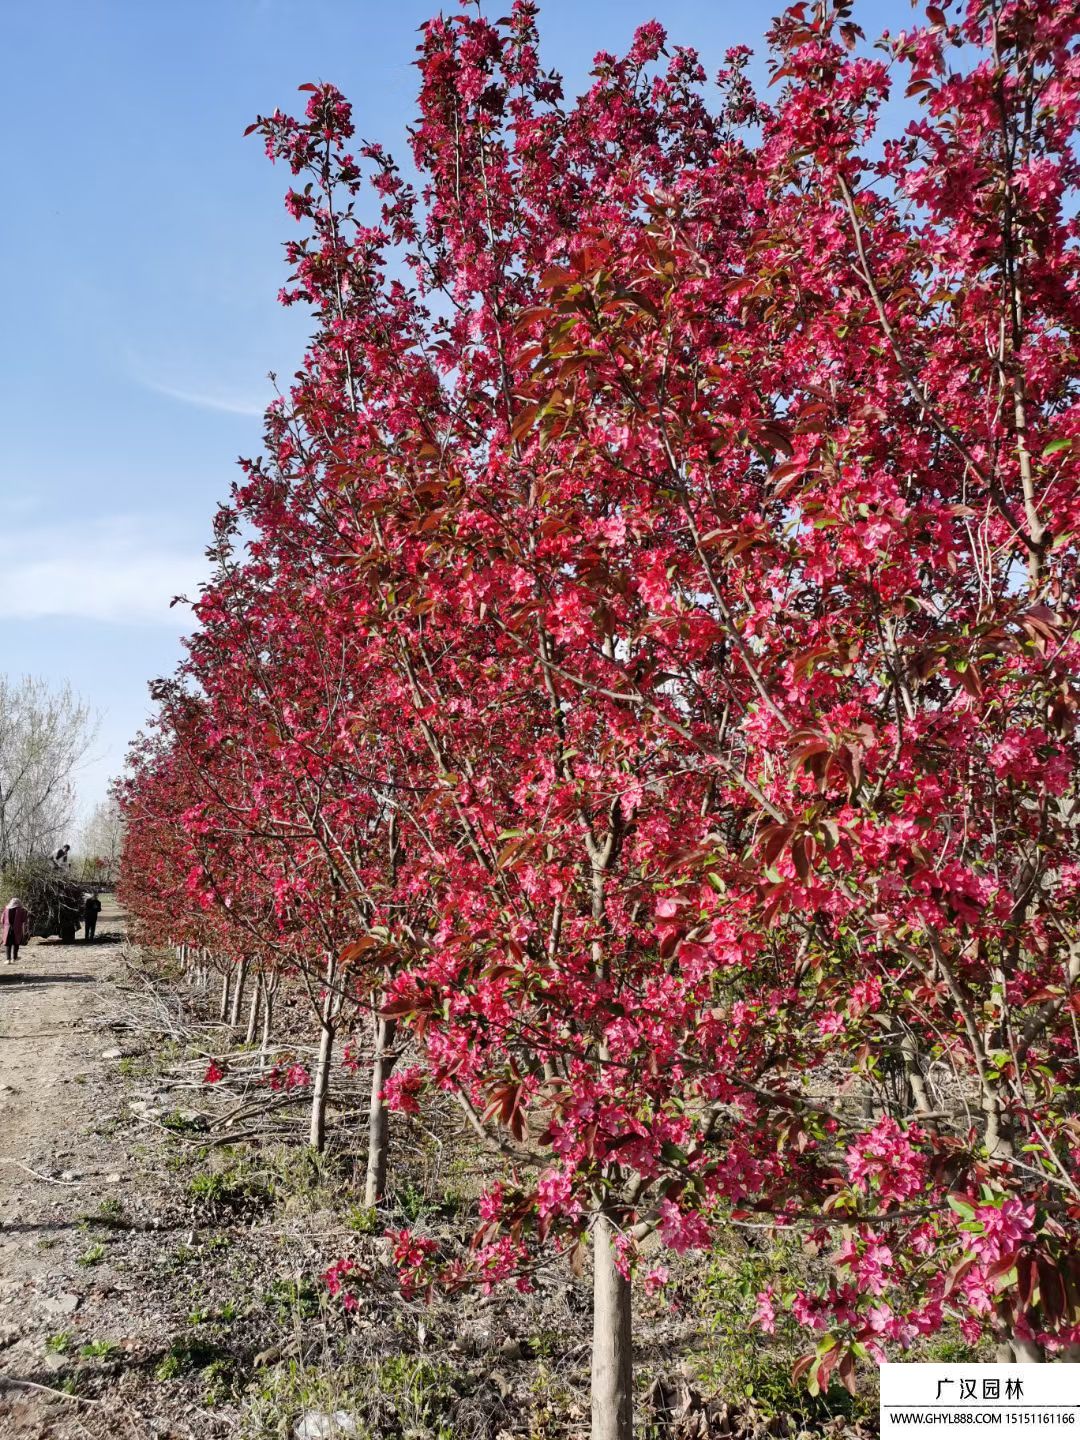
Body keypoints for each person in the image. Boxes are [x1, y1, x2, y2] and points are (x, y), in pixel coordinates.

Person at [2, 898, 30, 964]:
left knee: (8, 944)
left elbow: (2, 920)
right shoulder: (21, 910)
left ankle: (8, 959)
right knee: (16, 943)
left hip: (7, 929)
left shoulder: (6, 909)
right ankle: (14, 958)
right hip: (16, 929)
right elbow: (24, 920)